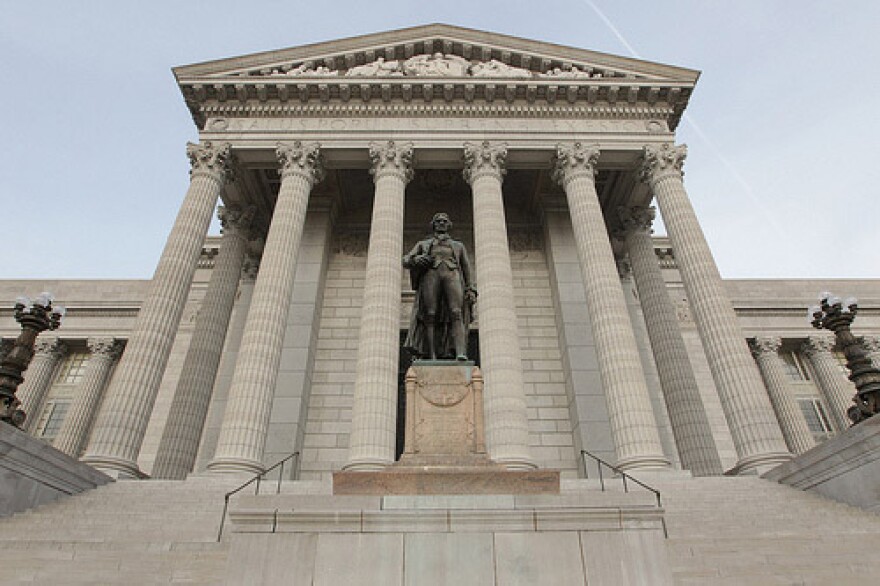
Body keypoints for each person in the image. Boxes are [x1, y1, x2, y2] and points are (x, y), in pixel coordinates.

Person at [403, 213, 477, 360]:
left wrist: (471, 288)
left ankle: (460, 352)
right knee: (430, 314)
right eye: (438, 221)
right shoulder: (423, 244)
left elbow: (466, 268)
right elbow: (405, 260)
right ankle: (431, 355)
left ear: (449, 224)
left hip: (452, 275)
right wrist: (417, 259)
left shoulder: (458, 246)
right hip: (431, 276)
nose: (441, 223)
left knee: (456, 312)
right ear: (433, 225)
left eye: (444, 221)